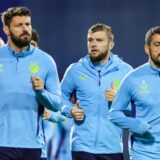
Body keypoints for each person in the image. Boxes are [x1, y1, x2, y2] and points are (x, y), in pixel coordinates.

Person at [61, 23, 132, 160]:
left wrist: (120, 101)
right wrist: (70, 110)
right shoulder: (75, 70)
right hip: (82, 148)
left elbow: (138, 109)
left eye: (99, 40)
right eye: (90, 40)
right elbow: (59, 98)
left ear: (111, 45)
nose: (93, 44)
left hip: (112, 149)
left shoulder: (125, 71)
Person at [0, 7, 61, 160]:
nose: (25, 29)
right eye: (19, 25)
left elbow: (56, 104)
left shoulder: (46, 61)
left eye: (28, 24)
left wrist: (41, 92)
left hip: (33, 146)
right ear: (6, 29)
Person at [108, 26, 160, 160]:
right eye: (157, 45)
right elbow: (113, 114)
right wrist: (134, 124)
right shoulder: (133, 79)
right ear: (147, 49)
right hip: (144, 155)